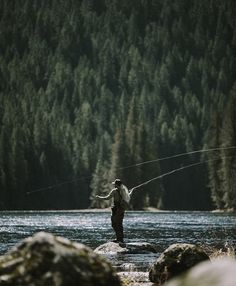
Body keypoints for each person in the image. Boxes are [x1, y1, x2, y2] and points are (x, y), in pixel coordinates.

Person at [96, 179, 134, 243]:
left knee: (114, 224)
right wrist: (131, 191)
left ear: (116, 185)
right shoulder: (124, 191)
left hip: (116, 210)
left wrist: (99, 197)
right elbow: (128, 196)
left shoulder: (114, 191)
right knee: (119, 224)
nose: (114, 185)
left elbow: (107, 198)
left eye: (115, 184)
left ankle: (118, 239)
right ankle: (120, 239)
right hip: (122, 209)